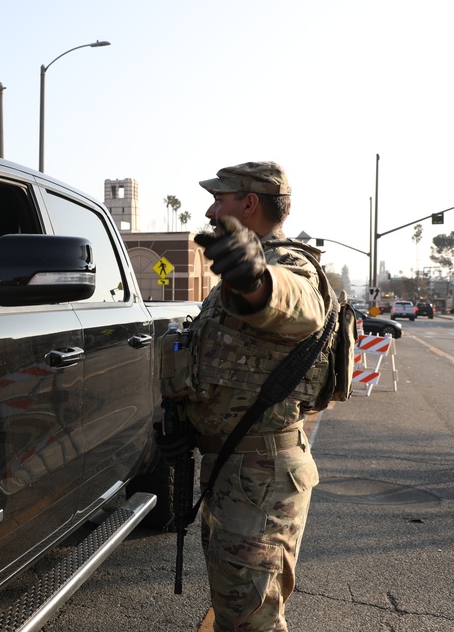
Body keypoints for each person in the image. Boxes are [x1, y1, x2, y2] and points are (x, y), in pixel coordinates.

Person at [167, 161, 326, 631]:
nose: (212, 209)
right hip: (233, 466)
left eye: (221, 198)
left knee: (250, 622)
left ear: (250, 203)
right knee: (237, 610)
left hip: (259, 474)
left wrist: (256, 282)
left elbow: (299, 306)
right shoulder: (235, 271)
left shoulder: (287, 266)